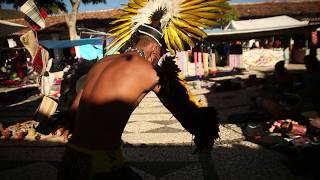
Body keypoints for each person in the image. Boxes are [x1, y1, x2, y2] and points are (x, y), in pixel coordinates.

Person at [57, 1, 225, 179]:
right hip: (101, 167)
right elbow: (183, 112)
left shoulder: (103, 62)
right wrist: (205, 130)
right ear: (155, 49)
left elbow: (74, 109)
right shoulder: (149, 72)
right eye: (161, 53)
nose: (159, 59)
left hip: (71, 160)